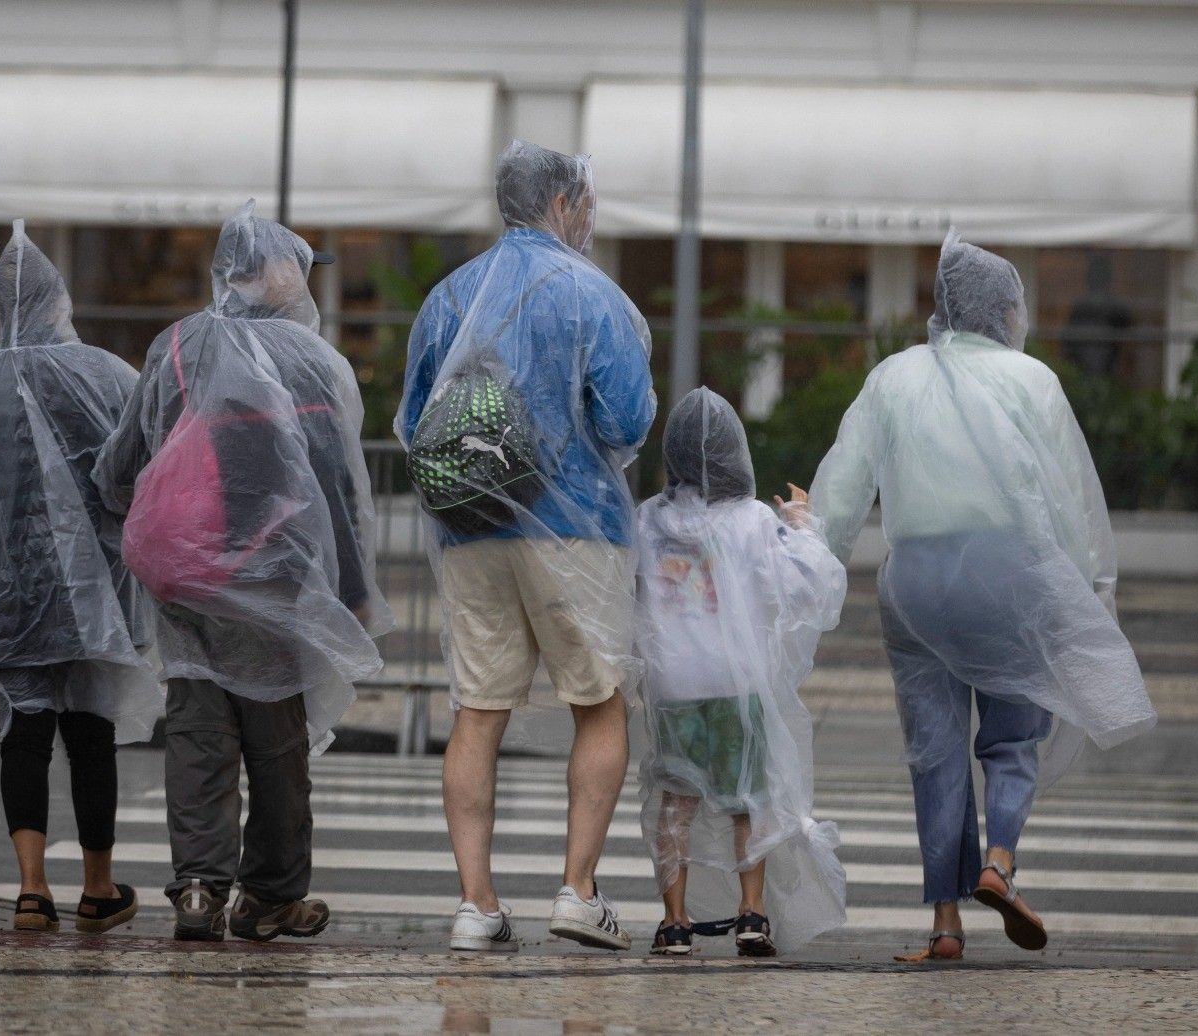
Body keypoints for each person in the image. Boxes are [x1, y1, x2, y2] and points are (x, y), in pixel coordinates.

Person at [810, 229, 1156, 962]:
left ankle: (944, 921)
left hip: (915, 583)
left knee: (933, 749)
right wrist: (1087, 588)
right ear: (1002, 311)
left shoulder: (892, 377)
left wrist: (810, 567)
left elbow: (842, 494)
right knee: (1012, 733)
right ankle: (999, 861)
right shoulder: (1031, 381)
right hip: (1008, 571)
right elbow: (1067, 500)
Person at [95, 200, 387, 943]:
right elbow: (337, 486)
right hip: (274, 577)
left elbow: (120, 464)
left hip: (186, 570)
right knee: (276, 740)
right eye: (295, 263)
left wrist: (156, 510)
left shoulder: (178, 346)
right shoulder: (311, 360)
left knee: (197, 729)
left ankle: (197, 887)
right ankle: (271, 893)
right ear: (273, 274)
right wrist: (351, 588)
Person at [396, 140, 656, 952]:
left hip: (472, 529)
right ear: (562, 204)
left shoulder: (448, 297)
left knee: (478, 711)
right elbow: (627, 420)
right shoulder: (592, 293)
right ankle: (578, 889)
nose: (588, 216)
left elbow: (414, 419)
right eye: (585, 202)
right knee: (598, 703)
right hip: (577, 528)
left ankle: (477, 905)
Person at [0, 222, 161, 934]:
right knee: (90, 729)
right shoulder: (110, 374)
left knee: (23, 730)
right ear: (60, 302)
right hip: (96, 594)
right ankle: (98, 886)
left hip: (6, 591)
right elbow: (144, 463)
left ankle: (30, 888)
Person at [635, 388, 848, 958]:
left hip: (673, 687)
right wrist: (802, 522)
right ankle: (751, 914)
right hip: (734, 684)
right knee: (747, 798)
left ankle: (674, 922)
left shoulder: (649, 522)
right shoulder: (753, 521)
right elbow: (807, 581)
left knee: (676, 801)